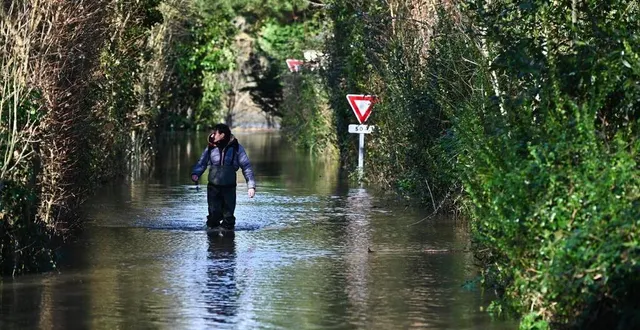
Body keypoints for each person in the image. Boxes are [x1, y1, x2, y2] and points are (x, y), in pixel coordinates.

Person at [191, 123, 256, 230]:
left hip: (229, 188)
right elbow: (202, 163)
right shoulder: (210, 148)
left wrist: (251, 186)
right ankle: (213, 243)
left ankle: (228, 243)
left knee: (228, 218)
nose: (212, 136)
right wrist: (195, 174)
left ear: (222, 135)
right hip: (213, 188)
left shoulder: (237, 148)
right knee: (213, 216)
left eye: (215, 133)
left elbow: (246, 167)